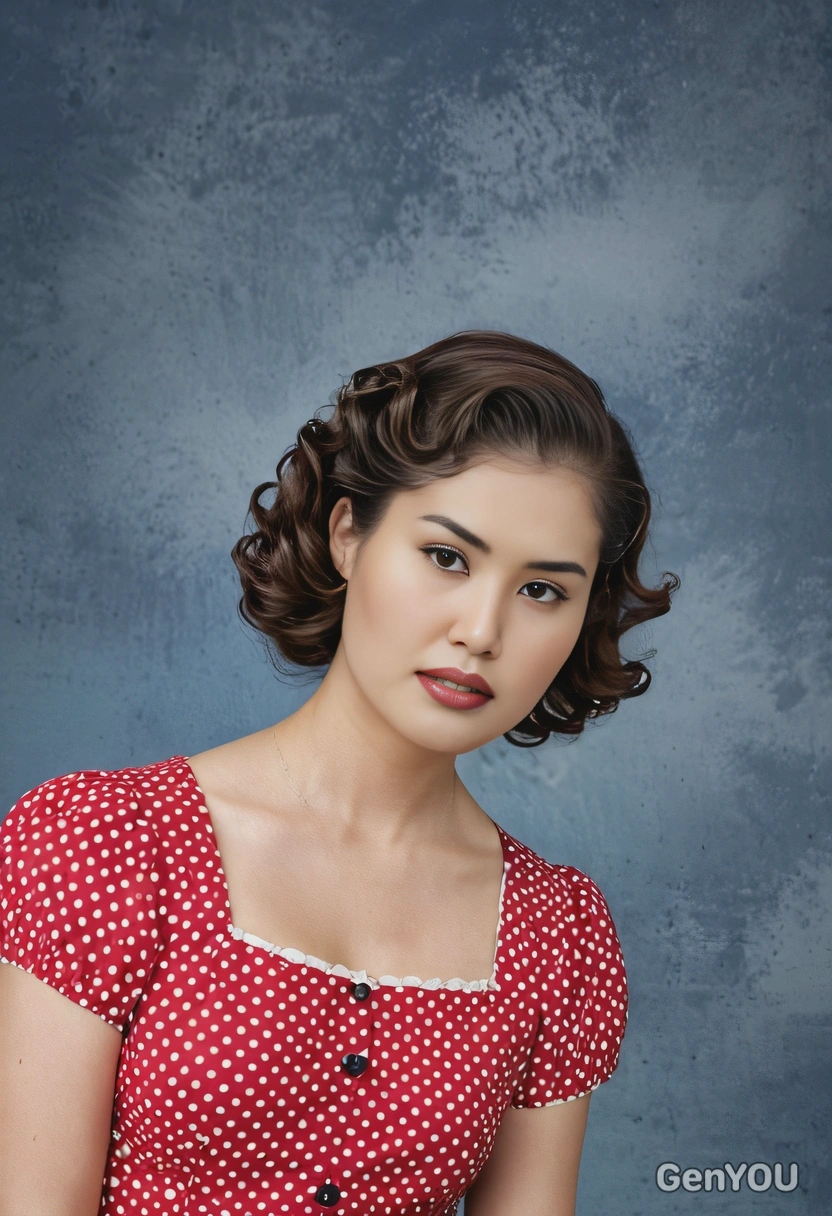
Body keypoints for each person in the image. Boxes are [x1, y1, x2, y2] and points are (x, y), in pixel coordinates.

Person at [0, 330, 678, 1215]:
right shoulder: (107, 842)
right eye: (447, 557)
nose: (482, 629)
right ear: (349, 533)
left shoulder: (558, 936)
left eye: (542, 589)